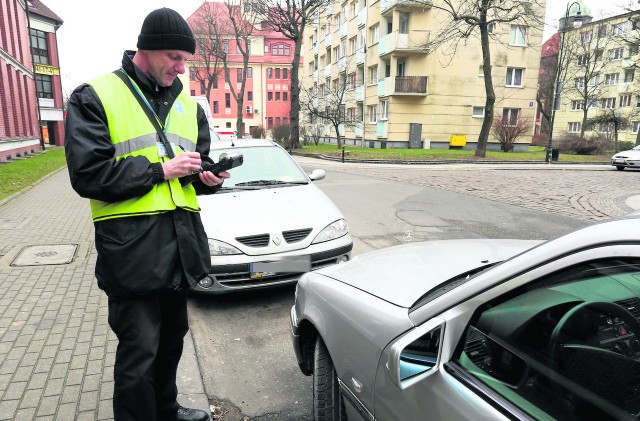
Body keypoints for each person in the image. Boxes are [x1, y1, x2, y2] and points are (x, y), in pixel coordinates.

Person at [64, 8, 228, 421]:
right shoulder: (94, 96)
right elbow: (88, 174)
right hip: (132, 250)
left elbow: (195, 166)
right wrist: (160, 170)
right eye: (174, 56)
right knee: (140, 353)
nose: (180, 66)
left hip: (180, 246)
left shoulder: (189, 107)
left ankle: (166, 411)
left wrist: (208, 176)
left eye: (185, 60)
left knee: (172, 341)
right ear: (147, 48)